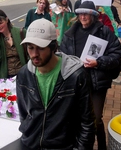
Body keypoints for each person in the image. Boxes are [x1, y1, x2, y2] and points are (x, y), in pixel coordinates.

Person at [17, 18, 96, 150]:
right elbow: (24, 113)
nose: (34, 54)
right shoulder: (24, 74)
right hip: (30, 144)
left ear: (53, 46)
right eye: (30, 48)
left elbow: (87, 122)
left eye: (41, 48)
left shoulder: (76, 76)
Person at [60, 1, 121, 150]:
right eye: (80, 13)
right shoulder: (69, 34)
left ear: (93, 15)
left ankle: (102, 147)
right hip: (76, 83)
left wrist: (98, 62)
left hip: (96, 83)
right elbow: (62, 56)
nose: (83, 16)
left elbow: (116, 55)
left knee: (96, 119)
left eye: (86, 13)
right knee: (76, 118)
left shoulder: (104, 32)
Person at [0, 9, 28, 81]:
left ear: (6, 20)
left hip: (23, 75)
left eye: (1, 23)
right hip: (7, 78)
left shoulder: (21, 33)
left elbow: (30, 54)